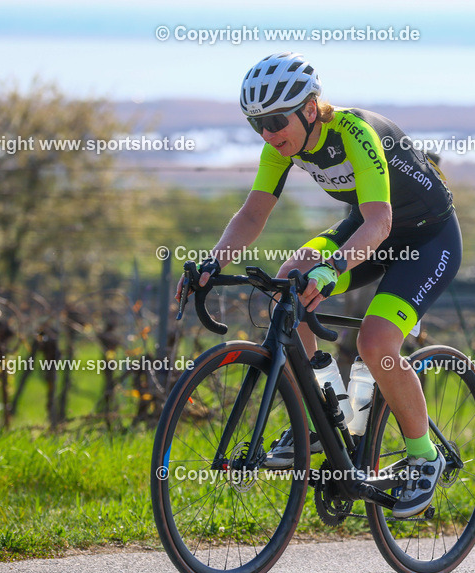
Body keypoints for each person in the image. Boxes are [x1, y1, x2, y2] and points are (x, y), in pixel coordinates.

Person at [176, 52, 460, 518]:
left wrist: (331, 271)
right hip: (366, 228)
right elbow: (252, 214)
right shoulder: (279, 145)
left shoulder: (354, 132)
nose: (267, 134)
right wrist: (213, 261)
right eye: (256, 125)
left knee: (376, 341)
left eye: (274, 120)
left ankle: (424, 457)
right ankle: (331, 413)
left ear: (310, 108)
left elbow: (381, 221)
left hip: (426, 238)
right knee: (289, 281)